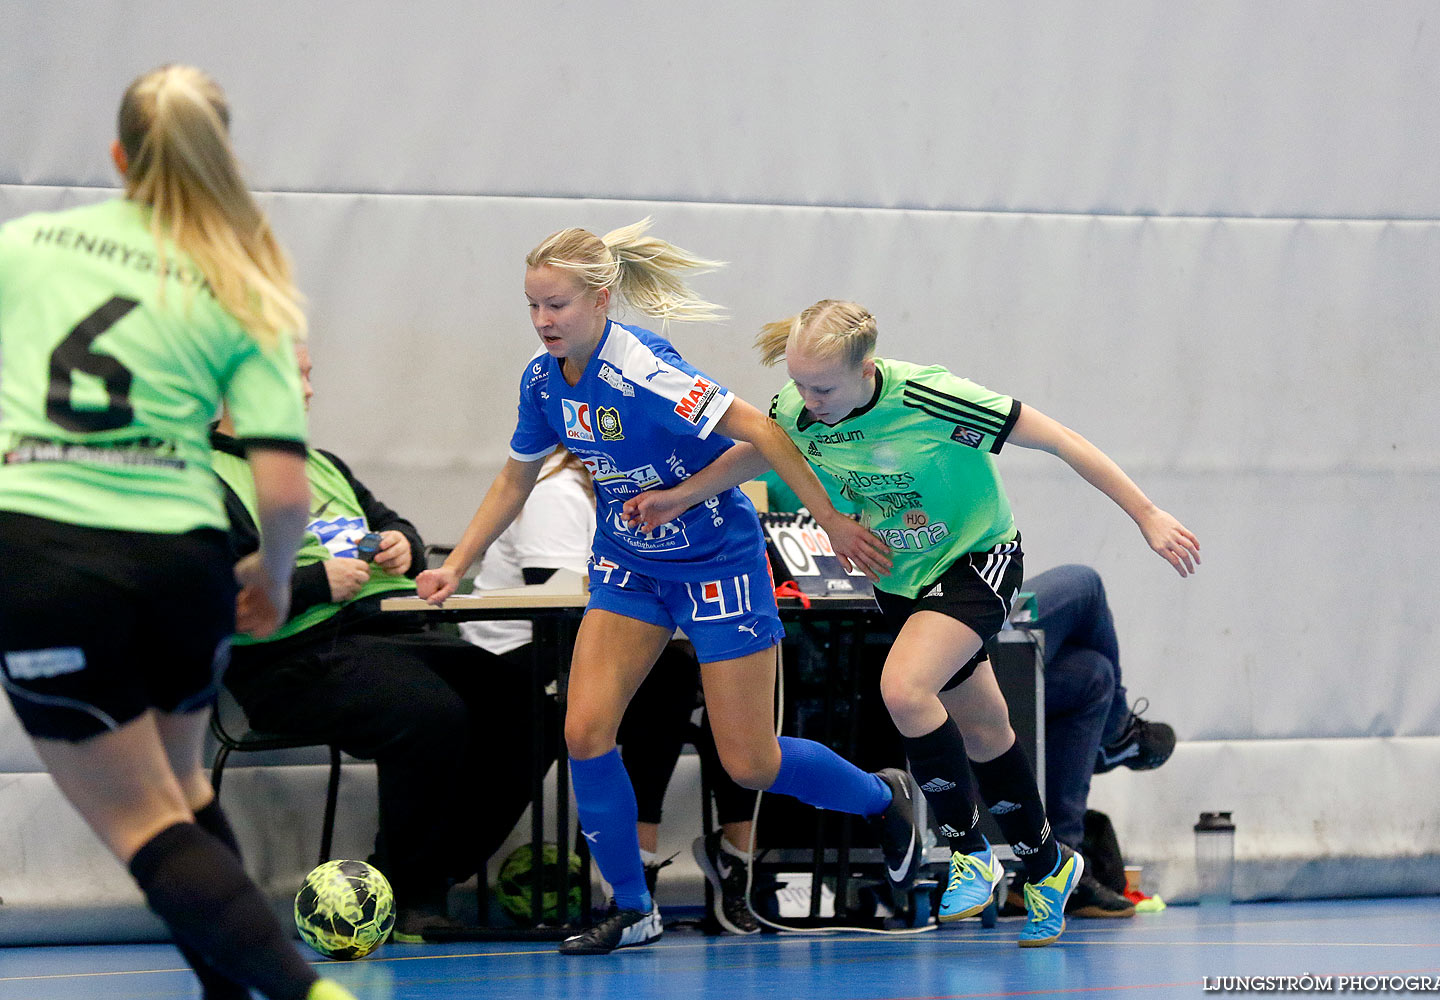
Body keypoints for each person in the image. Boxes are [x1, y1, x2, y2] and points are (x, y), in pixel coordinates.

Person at [625, 299, 1200, 946]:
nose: (805, 400)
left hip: (977, 559)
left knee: (904, 689)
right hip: (903, 582)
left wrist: (1147, 514)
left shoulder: (934, 398)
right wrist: (675, 498)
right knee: (986, 728)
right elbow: (763, 453)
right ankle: (1049, 864)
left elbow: (1061, 441)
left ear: (865, 368)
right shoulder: (796, 406)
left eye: (822, 387)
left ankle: (967, 851)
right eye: (798, 383)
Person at [416, 221, 912, 956]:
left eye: (556, 306)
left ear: (600, 300)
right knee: (585, 730)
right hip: (631, 563)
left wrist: (831, 520)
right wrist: (460, 561)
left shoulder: (647, 369)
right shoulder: (540, 381)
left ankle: (885, 798)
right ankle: (634, 906)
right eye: (532, 307)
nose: (543, 321)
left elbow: (769, 434)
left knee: (750, 760)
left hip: (716, 561)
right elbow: (515, 475)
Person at [0, 66, 355, 1000]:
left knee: (142, 823)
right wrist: (275, 580)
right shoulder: (246, 282)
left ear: (121, 158)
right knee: (185, 793)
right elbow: (283, 491)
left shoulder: (25, 246)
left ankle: (303, 991)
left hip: (45, 546)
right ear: (221, 155)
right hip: (182, 560)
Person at [211, 342, 541, 943]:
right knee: (426, 713)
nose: (309, 392)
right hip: (286, 658)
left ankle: (406, 874)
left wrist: (400, 544)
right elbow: (209, 594)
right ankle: (416, 898)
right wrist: (314, 582)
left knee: (524, 703)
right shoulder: (204, 474)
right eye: (295, 379)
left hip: (385, 633)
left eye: (311, 377)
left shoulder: (323, 464)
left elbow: (397, 525)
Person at [460, 446, 762, 934]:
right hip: (515, 649)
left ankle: (735, 858)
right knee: (665, 682)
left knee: (730, 685)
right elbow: (557, 595)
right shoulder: (557, 491)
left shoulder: (643, 497)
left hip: (579, 639)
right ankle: (633, 875)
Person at [1021, 563, 1177, 918]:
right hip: (949, 631)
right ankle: (1117, 730)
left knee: (1094, 676)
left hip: (963, 624)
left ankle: (1056, 865)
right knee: (1086, 584)